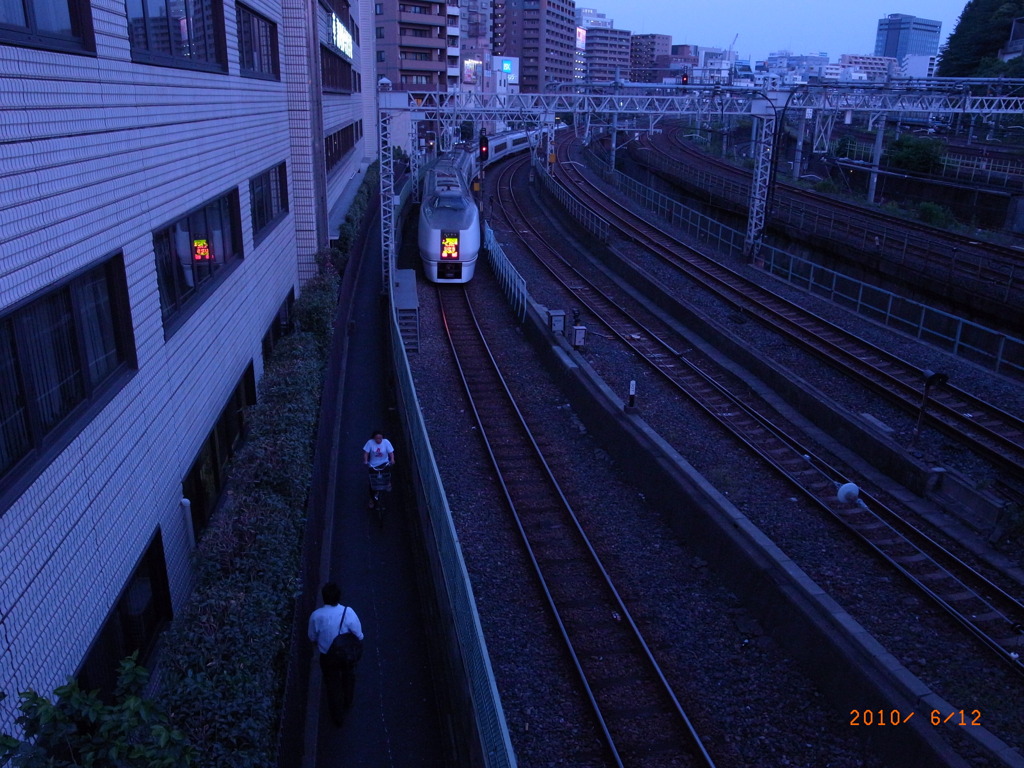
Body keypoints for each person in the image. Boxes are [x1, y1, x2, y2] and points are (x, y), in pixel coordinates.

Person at [308, 582, 364, 727]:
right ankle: (348, 700)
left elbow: (312, 637)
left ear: (324, 598)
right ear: (339, 597)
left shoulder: (316, 616)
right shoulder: (348, 612)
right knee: (348, 676)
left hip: (327, 656)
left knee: (332, 685)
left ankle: (337, 717)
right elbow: (359, 634)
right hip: (346, 654)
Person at [362, 430, 395, 509]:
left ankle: (388, 483)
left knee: (386, 475)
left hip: (384, 463)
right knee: (372, 483)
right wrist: (366, 460)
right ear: (374, 438)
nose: (378, 440)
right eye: (377, 438)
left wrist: (392, 459)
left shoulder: (386, 442)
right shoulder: (370, 443)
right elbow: (366, 453)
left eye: (380, 438)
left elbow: (391, 453)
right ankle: (371, 499)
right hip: (373, 465)